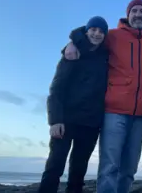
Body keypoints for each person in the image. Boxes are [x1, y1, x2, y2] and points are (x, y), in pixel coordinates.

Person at [64, 0, 142, 193]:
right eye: (135, 11)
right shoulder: (113, 36)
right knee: (109, 166)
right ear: (128, 14)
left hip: (141, 114)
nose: (139, 14)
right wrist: (72, 43)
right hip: (114, 111)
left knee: (129, 168)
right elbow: (88, 33)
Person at [38, 16, 109, 193]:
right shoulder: (73, 53)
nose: (97, 34)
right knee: (55, 166)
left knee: (78, 172)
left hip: (90, 123)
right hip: (66, 120)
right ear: (87, 31)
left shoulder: (105, 56)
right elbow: (56, 87)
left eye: (101, 31)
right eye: (93, 29)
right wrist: (54, 120)